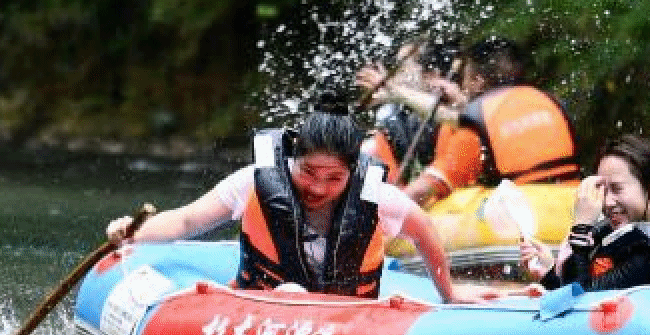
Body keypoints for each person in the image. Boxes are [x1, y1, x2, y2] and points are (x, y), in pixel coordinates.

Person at [104, 112, 460, 302]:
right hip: (261, 307)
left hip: (347, 321)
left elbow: (422, 227)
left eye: (333, 178)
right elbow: (185, 221)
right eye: (308, 172)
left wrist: (449, 293)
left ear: (352, 172)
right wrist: (133, 232)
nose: (318, 187)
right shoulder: (255, 181)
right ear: (293, 160)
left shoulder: (376, 197)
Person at [521, 133, 650, 291]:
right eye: (603, 191)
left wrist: (580, 227)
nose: (607, 202)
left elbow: (577, 304)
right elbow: (581, 290)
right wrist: (549, 271)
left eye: (616, 189)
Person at [404, 35, 583, 207]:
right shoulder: (550, 102)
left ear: (477, 82)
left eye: (464, 78)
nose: (462, 85)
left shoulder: (477, 122)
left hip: (525, 224)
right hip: (572, 205)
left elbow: (426, 188)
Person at [353, 38, 463, 184]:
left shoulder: (460, 102)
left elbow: (458, 116)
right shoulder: (396, 120)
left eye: (402, 69)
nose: (394, 76)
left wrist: (398, 93)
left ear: (431, 75)